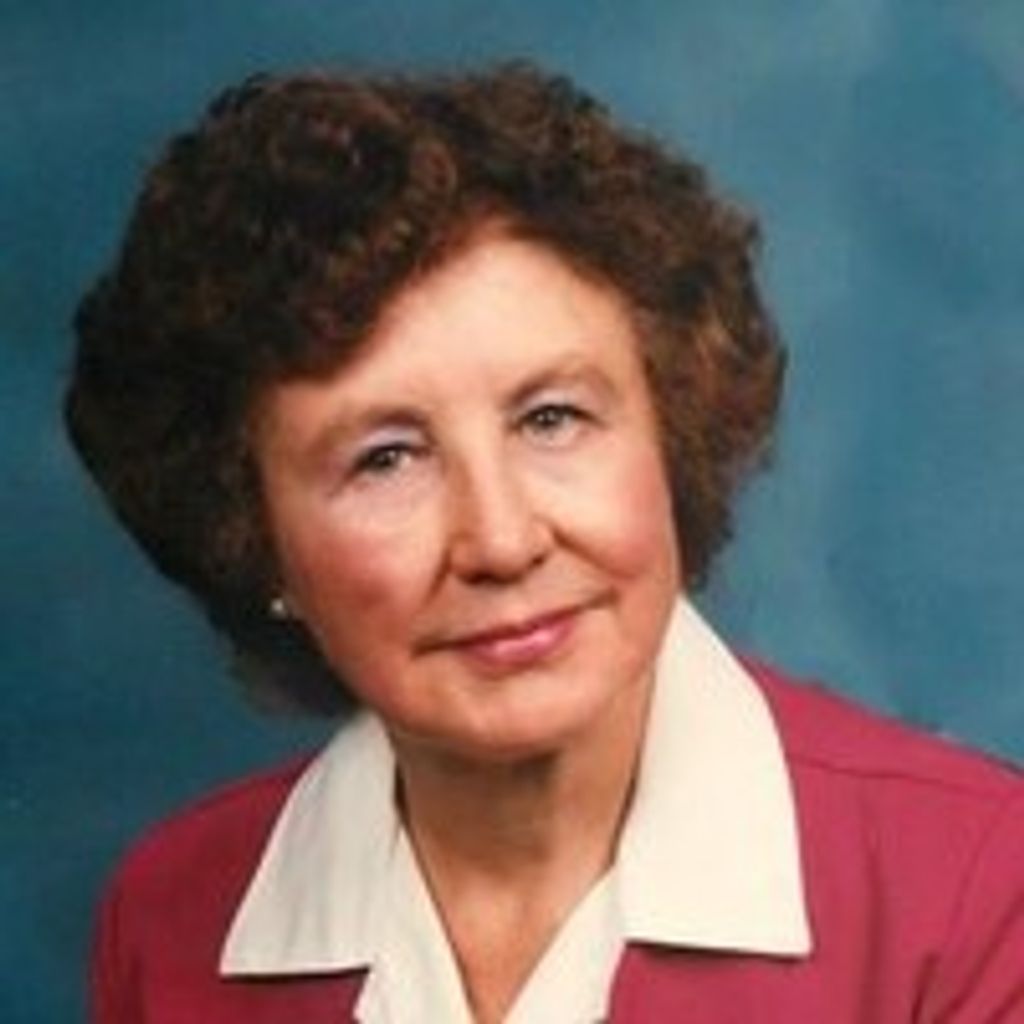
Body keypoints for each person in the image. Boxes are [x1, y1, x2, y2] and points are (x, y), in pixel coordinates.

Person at [67, 62, 1023, 1023]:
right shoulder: (169, 917)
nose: (502, 540)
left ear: (671, 434)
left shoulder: (977, 890)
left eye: (552, 418)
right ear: (253, 539)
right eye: (386, 459)